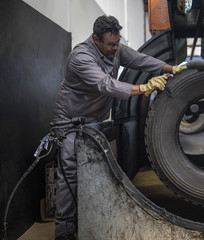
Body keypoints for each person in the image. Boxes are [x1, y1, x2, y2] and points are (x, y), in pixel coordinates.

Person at [52, 15, 186, 240]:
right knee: (70, 176)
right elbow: (106, 84)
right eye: (111, 44)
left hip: (94, 121)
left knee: (96, 172)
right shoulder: (81, 57)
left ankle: (89, 222)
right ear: (96, 39)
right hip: (70, 123)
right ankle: (64, 233)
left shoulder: (114, 49)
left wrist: (170, 69)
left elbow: (140, 60)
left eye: (118, 42)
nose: (116, 48)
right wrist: (144, 87)